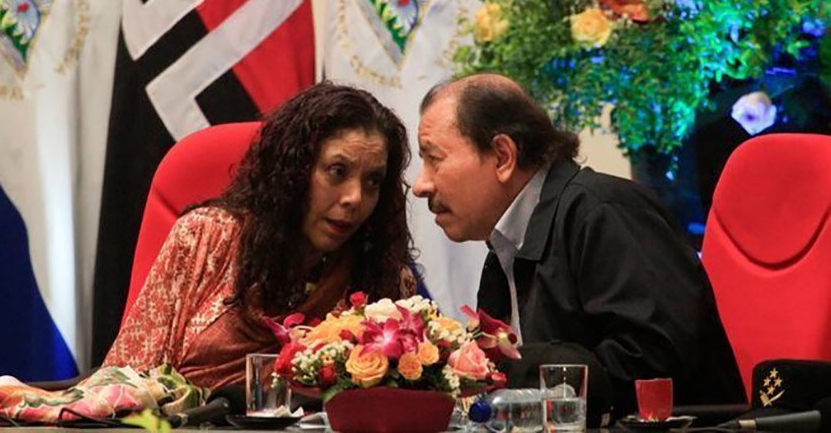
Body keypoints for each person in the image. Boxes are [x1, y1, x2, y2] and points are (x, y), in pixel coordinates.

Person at [412, 73, 745, 423]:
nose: (421, 185)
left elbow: (656, 362)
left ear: (502, 156)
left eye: (434, 158)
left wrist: (515, 367)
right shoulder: (503, 247)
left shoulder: (606, 212)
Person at [102, 81, 417, 388]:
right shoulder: (205, 238)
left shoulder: (384, 283)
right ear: (295, 172)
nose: (355, 198)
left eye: (373, 181)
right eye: (337, 171)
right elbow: (125, 382)